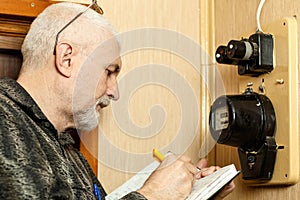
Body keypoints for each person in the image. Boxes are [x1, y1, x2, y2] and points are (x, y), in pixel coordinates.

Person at [0, 2, 235, 200]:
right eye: (110, 71)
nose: (114, 92)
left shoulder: (64, 145)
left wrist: (188, 195)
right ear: (66, 59)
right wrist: (152, 195)